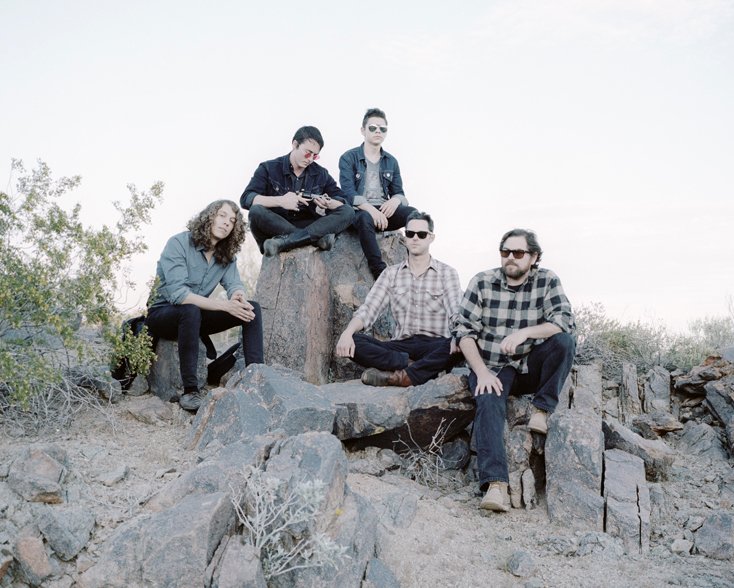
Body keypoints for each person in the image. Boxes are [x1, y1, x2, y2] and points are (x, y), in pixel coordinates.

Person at [453, 229, 576, 512]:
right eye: (505, 251)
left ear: (533, 257)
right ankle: (495, 486)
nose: (510, 257)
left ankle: (542, 409)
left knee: (564, 342)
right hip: (492, 365)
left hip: (528, 364)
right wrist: (481, 372)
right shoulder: (482, 282)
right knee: (488, 400)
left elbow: (563, 321)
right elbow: (464, 332)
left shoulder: (547, 280)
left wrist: (525, 333)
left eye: (518, 253)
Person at [145, 200, 264, 411]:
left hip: (196, 316)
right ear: (209, 216)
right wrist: (224, 305)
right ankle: (191, 392)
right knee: (190, 310)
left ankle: (256, 379)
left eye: (232, 221)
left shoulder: (227, 254)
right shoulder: (179, 243)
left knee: (251, 308)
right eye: (222, 215)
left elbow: (234, 284)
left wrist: (238, 296)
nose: (226, 223)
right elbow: (179, 295)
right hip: (163, 314)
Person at [336, 211, 462, 387]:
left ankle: (398, 376)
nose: (415, 238)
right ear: (405, 237)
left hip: (434, 345)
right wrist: (347, 333)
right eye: (410, 234)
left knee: (461, 344)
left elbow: (456, 311)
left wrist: (460, 337)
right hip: (401, 346)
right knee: (355, 341)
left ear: (431, 238)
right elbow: (369, 309)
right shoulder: (391, 273)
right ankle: (415, 368)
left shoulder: (447, 273)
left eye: (421, 234)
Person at [240, 125, 354, 256]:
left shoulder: (320, 173)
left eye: (315, 156)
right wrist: (280, 201)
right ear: (295, 144)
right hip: (277, 224)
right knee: (255, 211)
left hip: (309, 225)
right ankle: (314, 240)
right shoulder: (268, 168)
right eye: (308, 153)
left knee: (348, 211)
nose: (310, 159)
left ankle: (284, 243)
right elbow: (246, 198)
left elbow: (343, 200)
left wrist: (329, 203)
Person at [339, 108, 416, 279]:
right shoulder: (348, 158)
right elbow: (348, 193)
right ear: (363, 130)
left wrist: (395, 201)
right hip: (359, 212)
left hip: (383, 212)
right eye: (373, 128)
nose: (378, 131)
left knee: (414, 215)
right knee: (365, 218)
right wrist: (371, 210)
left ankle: (417, 264)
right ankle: (379, 272)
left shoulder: (391, 161)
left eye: (383, 128)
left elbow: (400, 193)